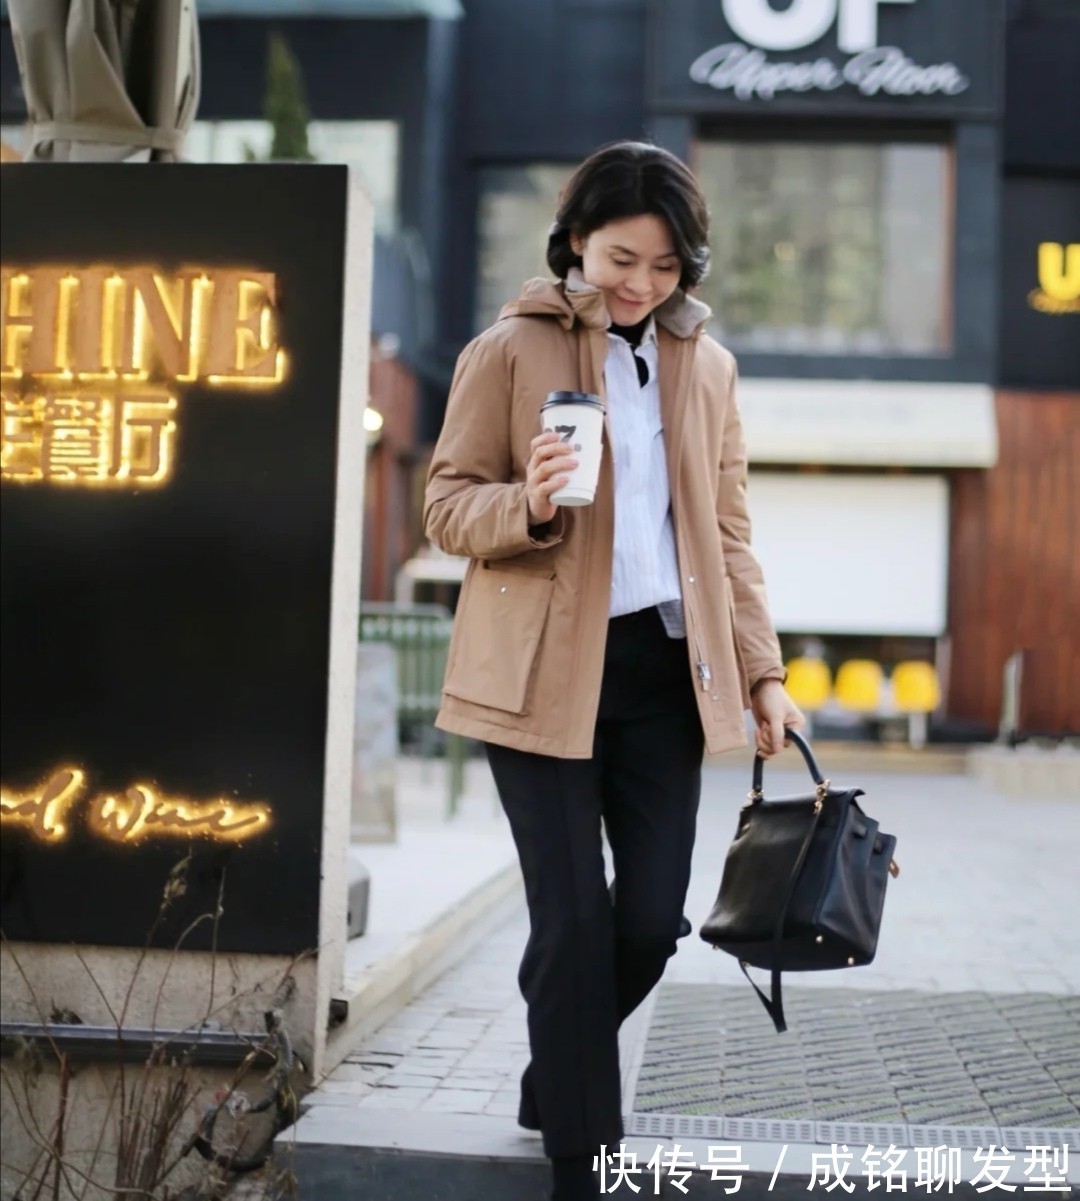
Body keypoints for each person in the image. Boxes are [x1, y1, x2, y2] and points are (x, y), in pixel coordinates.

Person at [424, 140, 804, 1201]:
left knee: (646, 920)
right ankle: (585, 1159)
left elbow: (727, 532)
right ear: (576, 241)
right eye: (620, 257)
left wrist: (763, 671)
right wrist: (532, 503)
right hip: (539, 670)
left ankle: (559, 1066)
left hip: (662, 673)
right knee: (574, 922)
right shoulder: (506, 349)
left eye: (666, 266)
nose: (639, 284)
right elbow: (446, 504)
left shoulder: (707, 368)